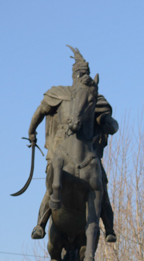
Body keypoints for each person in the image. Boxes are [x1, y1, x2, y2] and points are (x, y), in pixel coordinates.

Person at [28, 48, 119, 243]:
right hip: (60, 148)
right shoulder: (59, 94)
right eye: (79, 73)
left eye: (85, 73)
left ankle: (109, 228)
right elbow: (40, 112)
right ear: (73, 75)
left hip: (88, 153)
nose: (81, 76)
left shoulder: (94, 98)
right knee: (52, 184)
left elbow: (105, 118)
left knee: (101, 184)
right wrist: (31, 131)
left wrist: (108, 123)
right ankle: (40, 225)